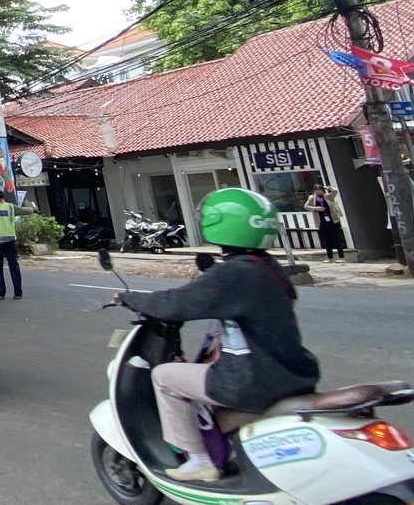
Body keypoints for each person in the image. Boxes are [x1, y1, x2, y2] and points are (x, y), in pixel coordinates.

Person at [115, 188, 319, 484]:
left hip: (253, 378)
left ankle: (200, 460)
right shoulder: (268, 267)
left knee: (164, 377)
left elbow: (177, 304)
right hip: (294, 371)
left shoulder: (236, 273)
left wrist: (130, 299)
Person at [0, 197, 21, 299]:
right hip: (10, 241)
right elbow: (24, 210)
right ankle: (18, 293)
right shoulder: (11, 207)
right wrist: (33, 209)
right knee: (14, 267)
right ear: (3, 197)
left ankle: (1, 293)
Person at [302, 185, 346, 262]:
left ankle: (341, 257)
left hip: (332, 220)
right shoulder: (312, 198)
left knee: (337, 238)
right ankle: (330, 258)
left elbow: (335, 191)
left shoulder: (328, 196)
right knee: (326, 239)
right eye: (316, 190)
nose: (318, 192)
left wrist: (328, 188)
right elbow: (306, 206)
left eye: (320, 190)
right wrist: (315, 208)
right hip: (321, 221)